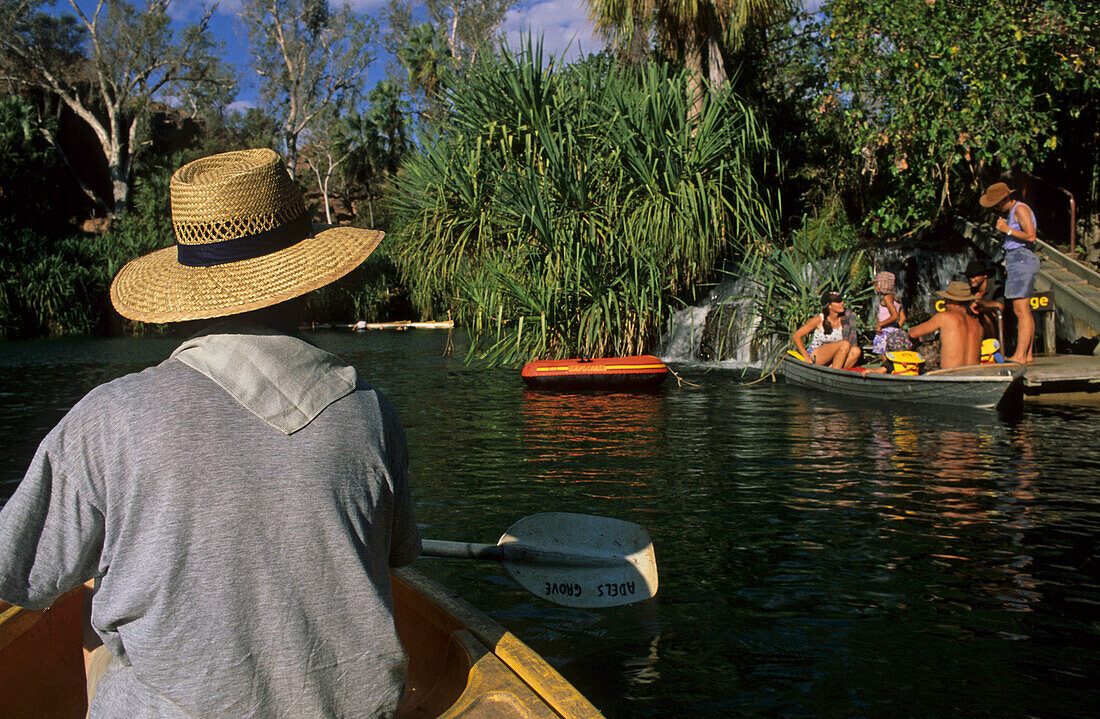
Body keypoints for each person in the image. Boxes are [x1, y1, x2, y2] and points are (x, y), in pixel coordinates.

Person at [0, 149, 422, 718]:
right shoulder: (372, 412)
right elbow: (396, 554)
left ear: (190, 295)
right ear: (306, 283)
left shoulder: (108, 419)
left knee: (93, 586)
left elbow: (16, 569)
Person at [979, 182, 1039, 364]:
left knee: (1020, 309)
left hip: (1022, 259)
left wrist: (1008, 230)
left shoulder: (1020, 209)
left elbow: (1031, 236)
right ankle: (1027, 355)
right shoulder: (1014, 211)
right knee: (1024, 309)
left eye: (996, 204)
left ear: (1004, 199)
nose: (995, 208)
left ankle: (1020, 355)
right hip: (1017, 260)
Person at [907, 280, 984, 369]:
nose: (944, 303)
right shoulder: (978, 325)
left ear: (952, 301)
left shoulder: (945, 317)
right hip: (973, 375)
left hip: (949, 374)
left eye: (946, 300)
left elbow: (912, 333)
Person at [792, 291, 861, 368]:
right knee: (845, 344)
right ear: (829, 306)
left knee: (856, 351)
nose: (842, 303)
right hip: (816, 355)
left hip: (835, 358)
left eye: (841, 300)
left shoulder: (845, 319)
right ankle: (834, 373)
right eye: (838, 302)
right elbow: (796, 336)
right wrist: (806, 357)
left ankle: (834, 370)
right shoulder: (819, 319)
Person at [871, 271, 910, 356]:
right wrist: (895, 330)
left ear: (880, 285)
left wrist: (880, 325)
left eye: (875, 285)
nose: (875, 288)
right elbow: (902, 318)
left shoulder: (887, 298)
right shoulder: (896, 298)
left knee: (886, 358)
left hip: (885, 332)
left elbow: (895, 316)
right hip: (894, 331)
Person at [964, 258, 1005, 341]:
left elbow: (1000, 306)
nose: (971, 279)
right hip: (977, 327)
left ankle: (994, 347)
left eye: (975, 275)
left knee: (988, 315)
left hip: (1002, 325)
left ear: (985, 275)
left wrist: (980, 302)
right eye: (969, 276)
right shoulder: (969, 290)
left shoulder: (996, 287)